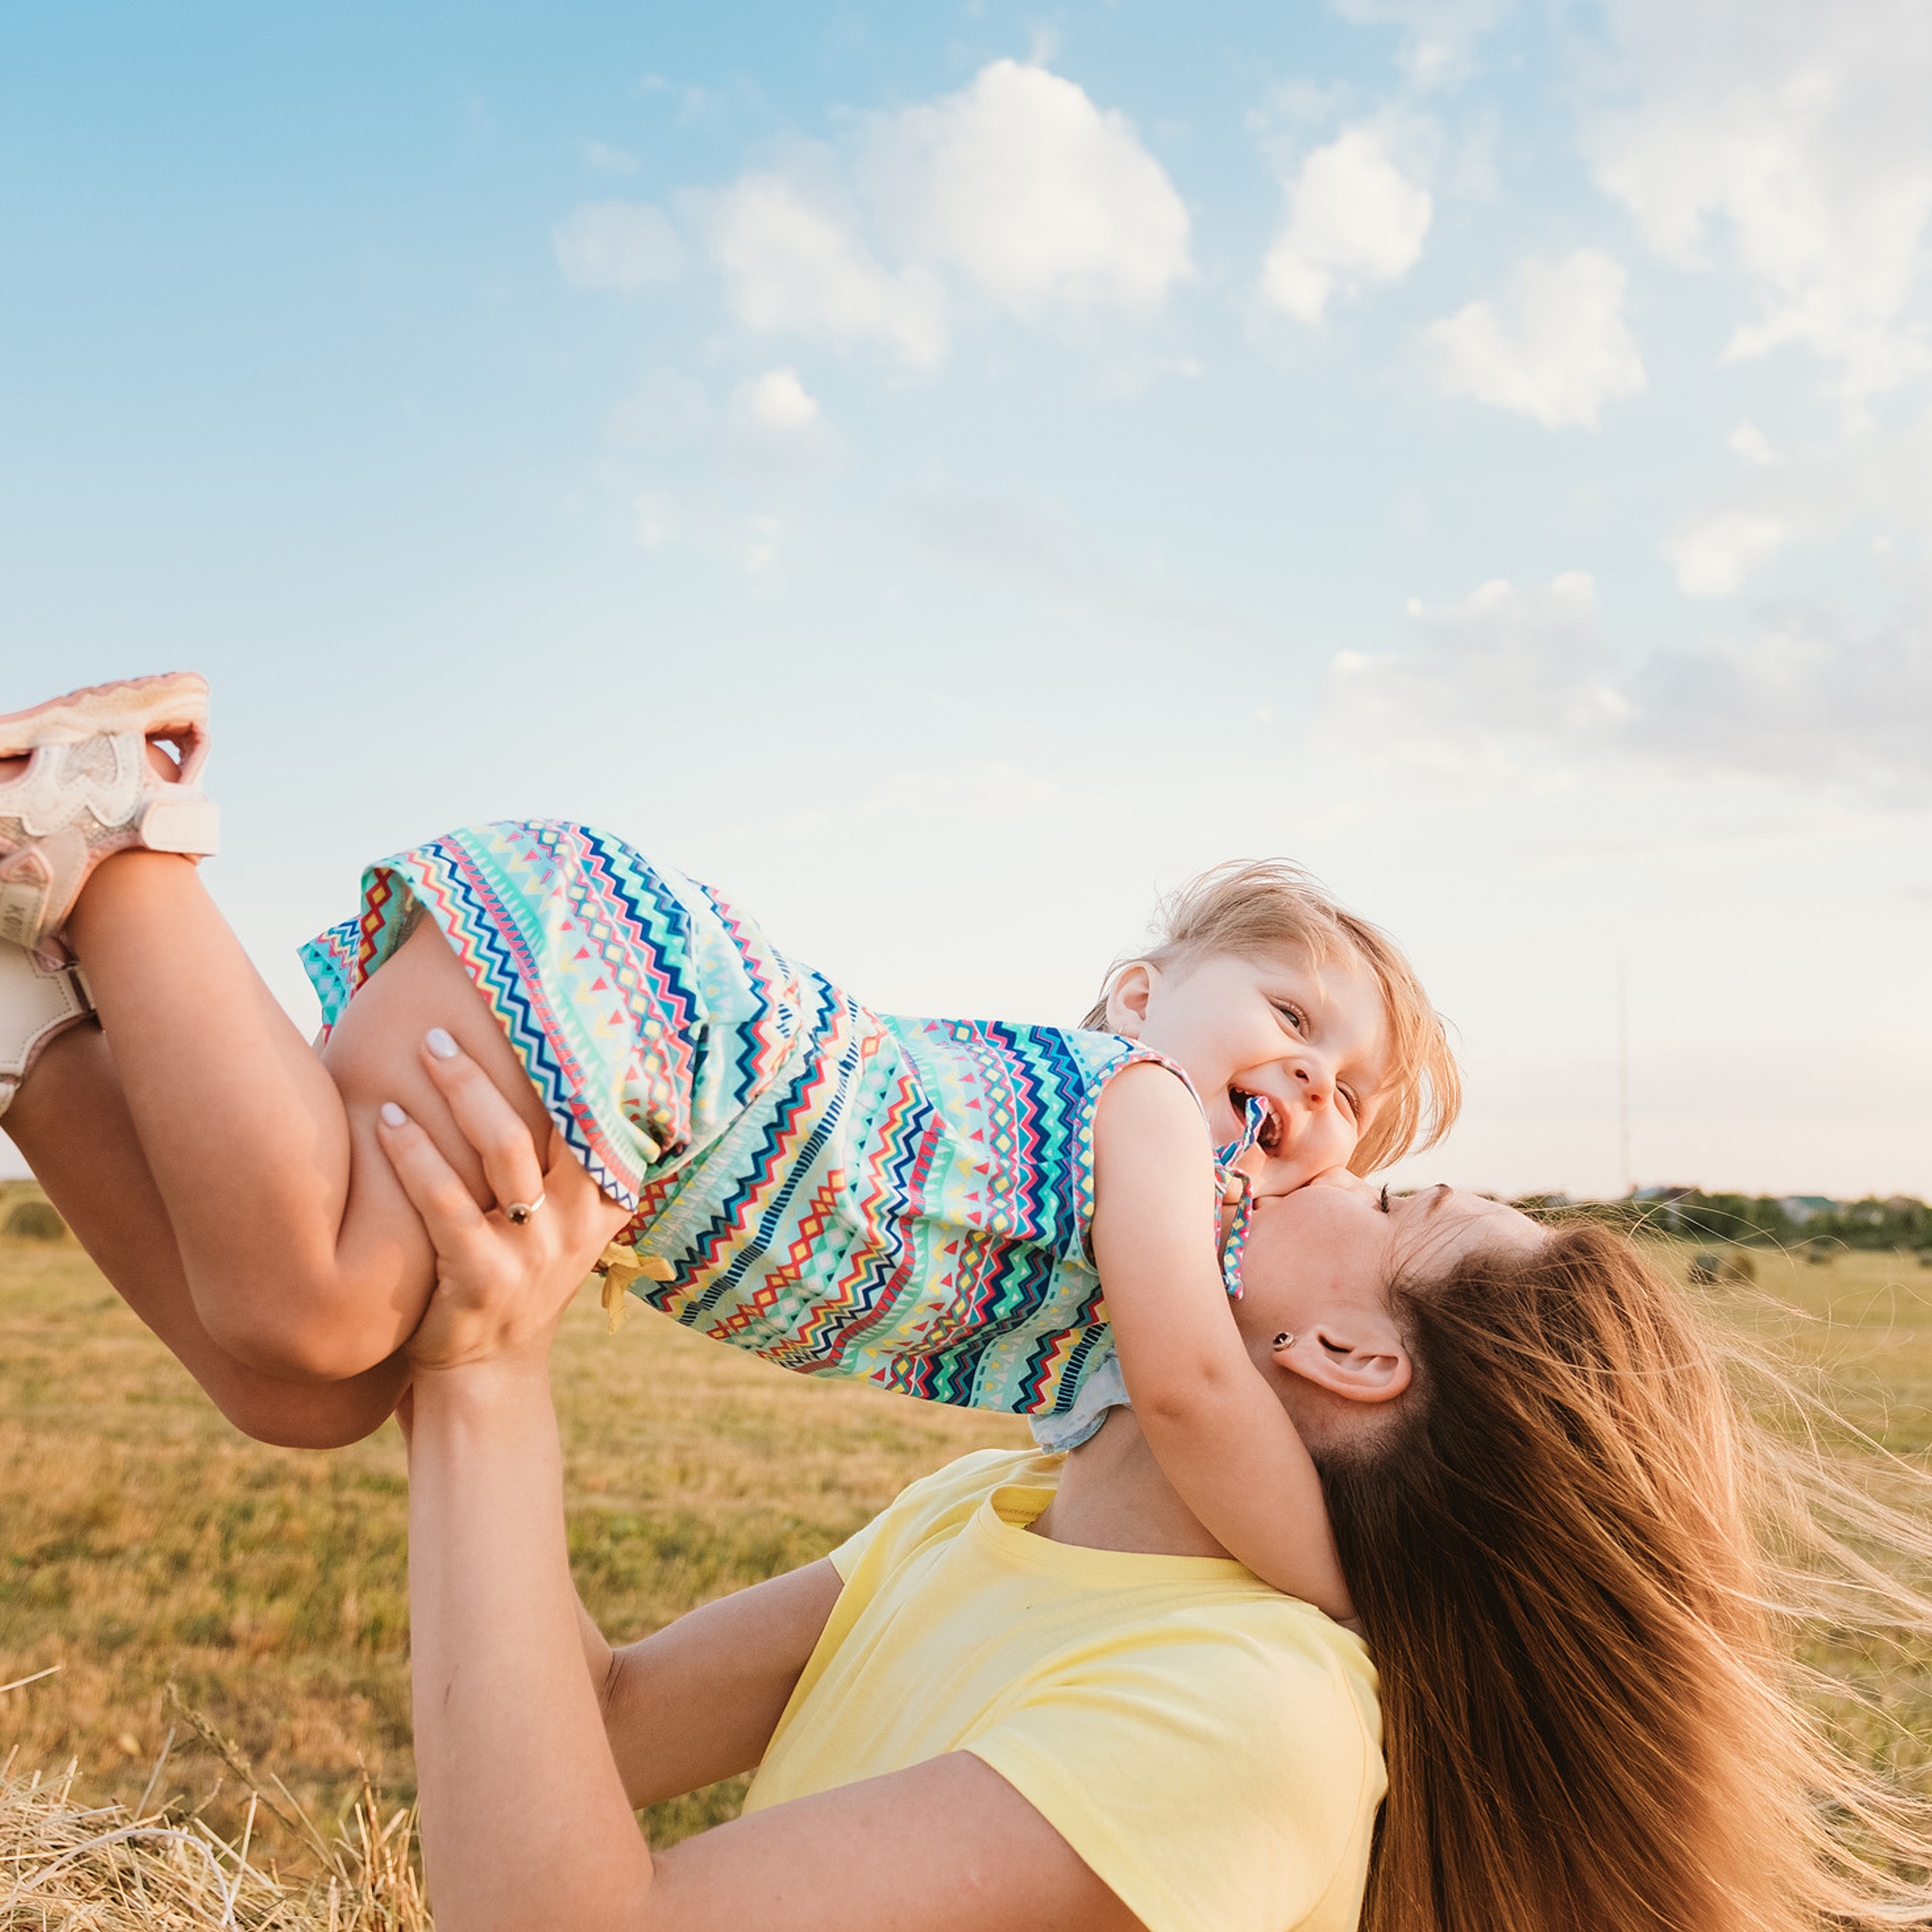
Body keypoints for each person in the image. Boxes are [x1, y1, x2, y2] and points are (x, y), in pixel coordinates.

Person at [386, 1034, 1932, 1932]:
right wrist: (441, 1315)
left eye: (1389, 1199)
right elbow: (598, 1724)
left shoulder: (1250, 1714)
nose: (1331, 1158)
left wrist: (483, 1386)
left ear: (1351, 1353)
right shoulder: (980, 1513)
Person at [0, 669, 1460, 1617]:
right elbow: (1197, 1394)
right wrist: (1363, 1601)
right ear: (1141, 1000)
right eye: (1291, 1015)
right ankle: (113, 831)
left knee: (310, 1397)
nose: (1311, 1078)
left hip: (631, 1079)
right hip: (650, 1011)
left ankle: (33, 1037)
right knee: (314, 1306)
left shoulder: (1130, 1300)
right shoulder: (1144, 1111)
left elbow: (1172, 1456)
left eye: (1350, 1098)